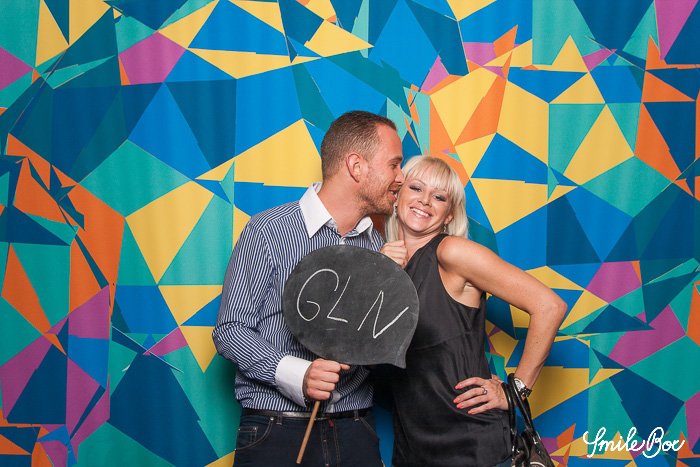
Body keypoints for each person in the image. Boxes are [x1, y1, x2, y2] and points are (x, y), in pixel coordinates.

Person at [213, 110, 404, 466]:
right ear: (356, 166)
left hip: (356, 430)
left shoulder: (378, 248)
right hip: (277, 429)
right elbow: (230, 330)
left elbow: (374, 346)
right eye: (394, 164)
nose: (401, 177)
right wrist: (298, 375)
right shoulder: (268, 231)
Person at [380, 155, 567, 467]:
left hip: (470, 443)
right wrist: (379, 276)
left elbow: (549, 306)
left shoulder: (452, 252)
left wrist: (514, 391)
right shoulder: (385, 267)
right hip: (413, 448)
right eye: (416, 188)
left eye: (439, 197)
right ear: (397, 196)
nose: (425, 201)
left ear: (449, 214)